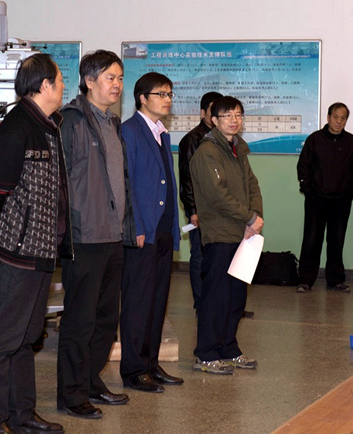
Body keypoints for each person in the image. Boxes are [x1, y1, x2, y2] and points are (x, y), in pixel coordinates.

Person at [0, 53, 66, 434]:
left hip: (40, 252)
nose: (63, 87)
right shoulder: (18, 127)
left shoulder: (48, 125)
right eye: (60, 80)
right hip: (17, 254)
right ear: (44, 85)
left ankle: (21, 415)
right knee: (1, 342)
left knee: (26, 338)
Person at [56, 50, 136, 419]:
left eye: (120, 78)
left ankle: (90, 381)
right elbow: (60, 181)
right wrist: (65, 231)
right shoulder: (71, 121)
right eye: (110, 78)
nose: (117, 85)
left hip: (112, 235)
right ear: (89, 81)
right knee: (80, 320)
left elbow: (120, 181)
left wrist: (127, 227)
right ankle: (71, 395)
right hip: (84, 237)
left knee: (105, 319)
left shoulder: (113, 123)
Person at [190, 96, 263, 375]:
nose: (234, 120)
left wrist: (254, 217)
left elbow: (253, 187)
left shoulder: (238, 150)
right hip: (220, 233)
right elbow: (217, 195)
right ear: (214, 120)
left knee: (236, 297)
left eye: (238, 115)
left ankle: (229, 348)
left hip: (242, 234)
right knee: (216, 296)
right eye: (227, 115)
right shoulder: (207, 152)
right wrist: (249, 217)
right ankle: (206, 353)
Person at [120, 72, 183, 393]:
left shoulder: (161, 133)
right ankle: (133, 370)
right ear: (142, 98)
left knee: (158, 302)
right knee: (138, 303)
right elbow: (127, 184)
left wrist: (171, 228)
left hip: (162, 230)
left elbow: (165, 184)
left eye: (170, 94)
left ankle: (151, 364)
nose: (167, 99)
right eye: (161, 94)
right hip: (143, 232)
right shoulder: (129, 131)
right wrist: (138, 227)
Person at [296, 102, 353, 293]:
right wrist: (308, 189)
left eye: (343, 118)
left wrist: (351, 192)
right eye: (335, 117)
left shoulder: (351, 142)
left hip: (341, 200)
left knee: (337, 240)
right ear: (328, 117)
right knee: (311, 239)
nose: (339, 121)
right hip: (316, 199)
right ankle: (305, 280)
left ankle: (335, 280)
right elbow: (303, 166)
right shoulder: (315, 139)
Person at [178, 91, 223, 309]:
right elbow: (187, 179)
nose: (216, 116)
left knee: (219, 255)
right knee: (199, 255)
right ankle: (201, 303)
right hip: (201, 209)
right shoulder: (192, 139)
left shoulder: (223, 138)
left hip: (221, 208)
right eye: (213, 111)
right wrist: (193, 210)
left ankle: (216, 301)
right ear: (203, 113)